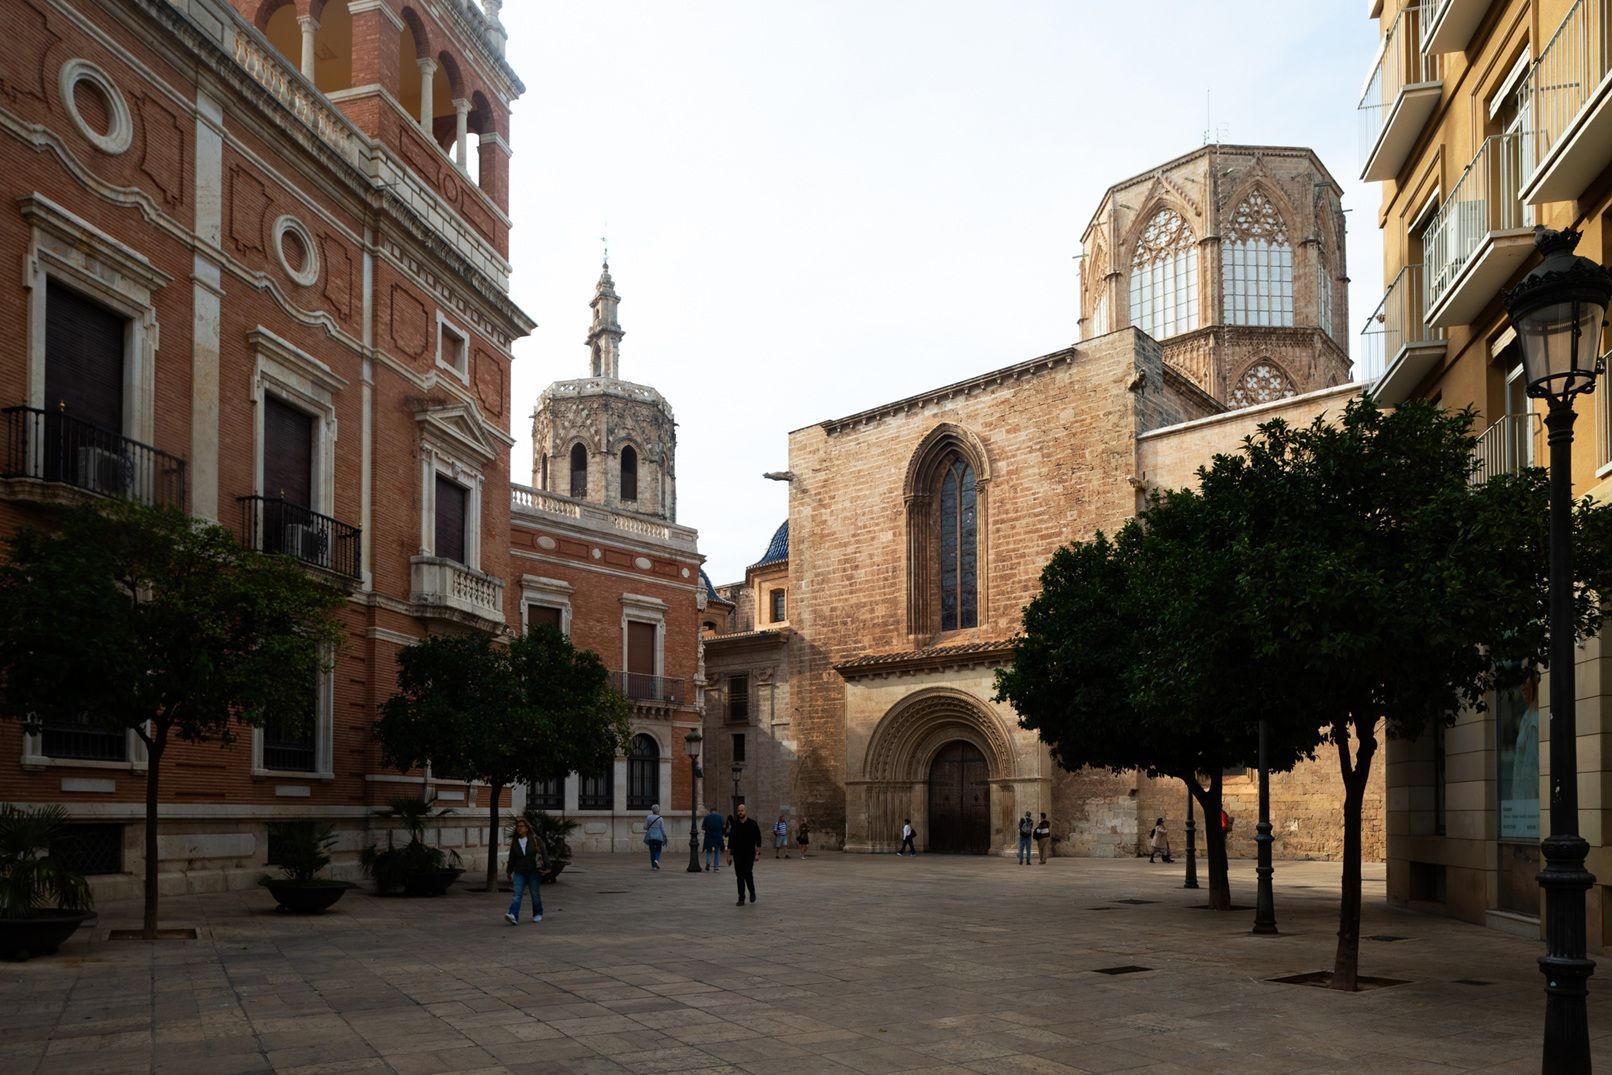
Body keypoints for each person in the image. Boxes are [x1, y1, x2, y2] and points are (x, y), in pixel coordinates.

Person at [504, 816, 545, 925]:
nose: (519, 828)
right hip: (519, 871)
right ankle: (513, 915)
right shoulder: (515, 842)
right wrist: (509, 871)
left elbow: (544, 853)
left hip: (533, 871)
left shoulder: (535, 839)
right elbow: (512, 858)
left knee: (535, 894)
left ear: (527, 828)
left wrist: (548, 867)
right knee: (517, 894)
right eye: (518, 826)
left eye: (521, 826)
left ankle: (538, 913)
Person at [727, 802, 763, 905]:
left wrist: (757, 854)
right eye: (738, 811)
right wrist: (728, 856)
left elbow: (758, 839)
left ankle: (752, 892)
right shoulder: (735, 825)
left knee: (748, 873)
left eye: (742, 810)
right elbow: (730, 841)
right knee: (739, 876)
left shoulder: (752, 824)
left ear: (746, 811)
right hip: (737, 854)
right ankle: (741, 898)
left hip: (749, 854)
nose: (740, 812)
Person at [701, 806, 725, 871]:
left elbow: (703, 827)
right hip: (718, 836)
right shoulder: (720, 817)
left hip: (709, 836)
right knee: (717, 852)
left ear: (710, 811)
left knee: (708, 851)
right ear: (716, 811)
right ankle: (716, 867)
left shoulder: (706, 817)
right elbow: (723, 826)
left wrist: (707, 829)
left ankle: (708, 862)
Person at [643, 804, 667, 870]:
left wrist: (650, 828)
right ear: (658, 810)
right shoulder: (660, 818)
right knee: (658, 850)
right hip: (659, 836)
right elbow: (662, 829)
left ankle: (653, 866)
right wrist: (665, 836)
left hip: (650, 836)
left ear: (652, 810)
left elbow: (645, 827)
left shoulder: (648, 817)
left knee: (652, 851)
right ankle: (656, 860)